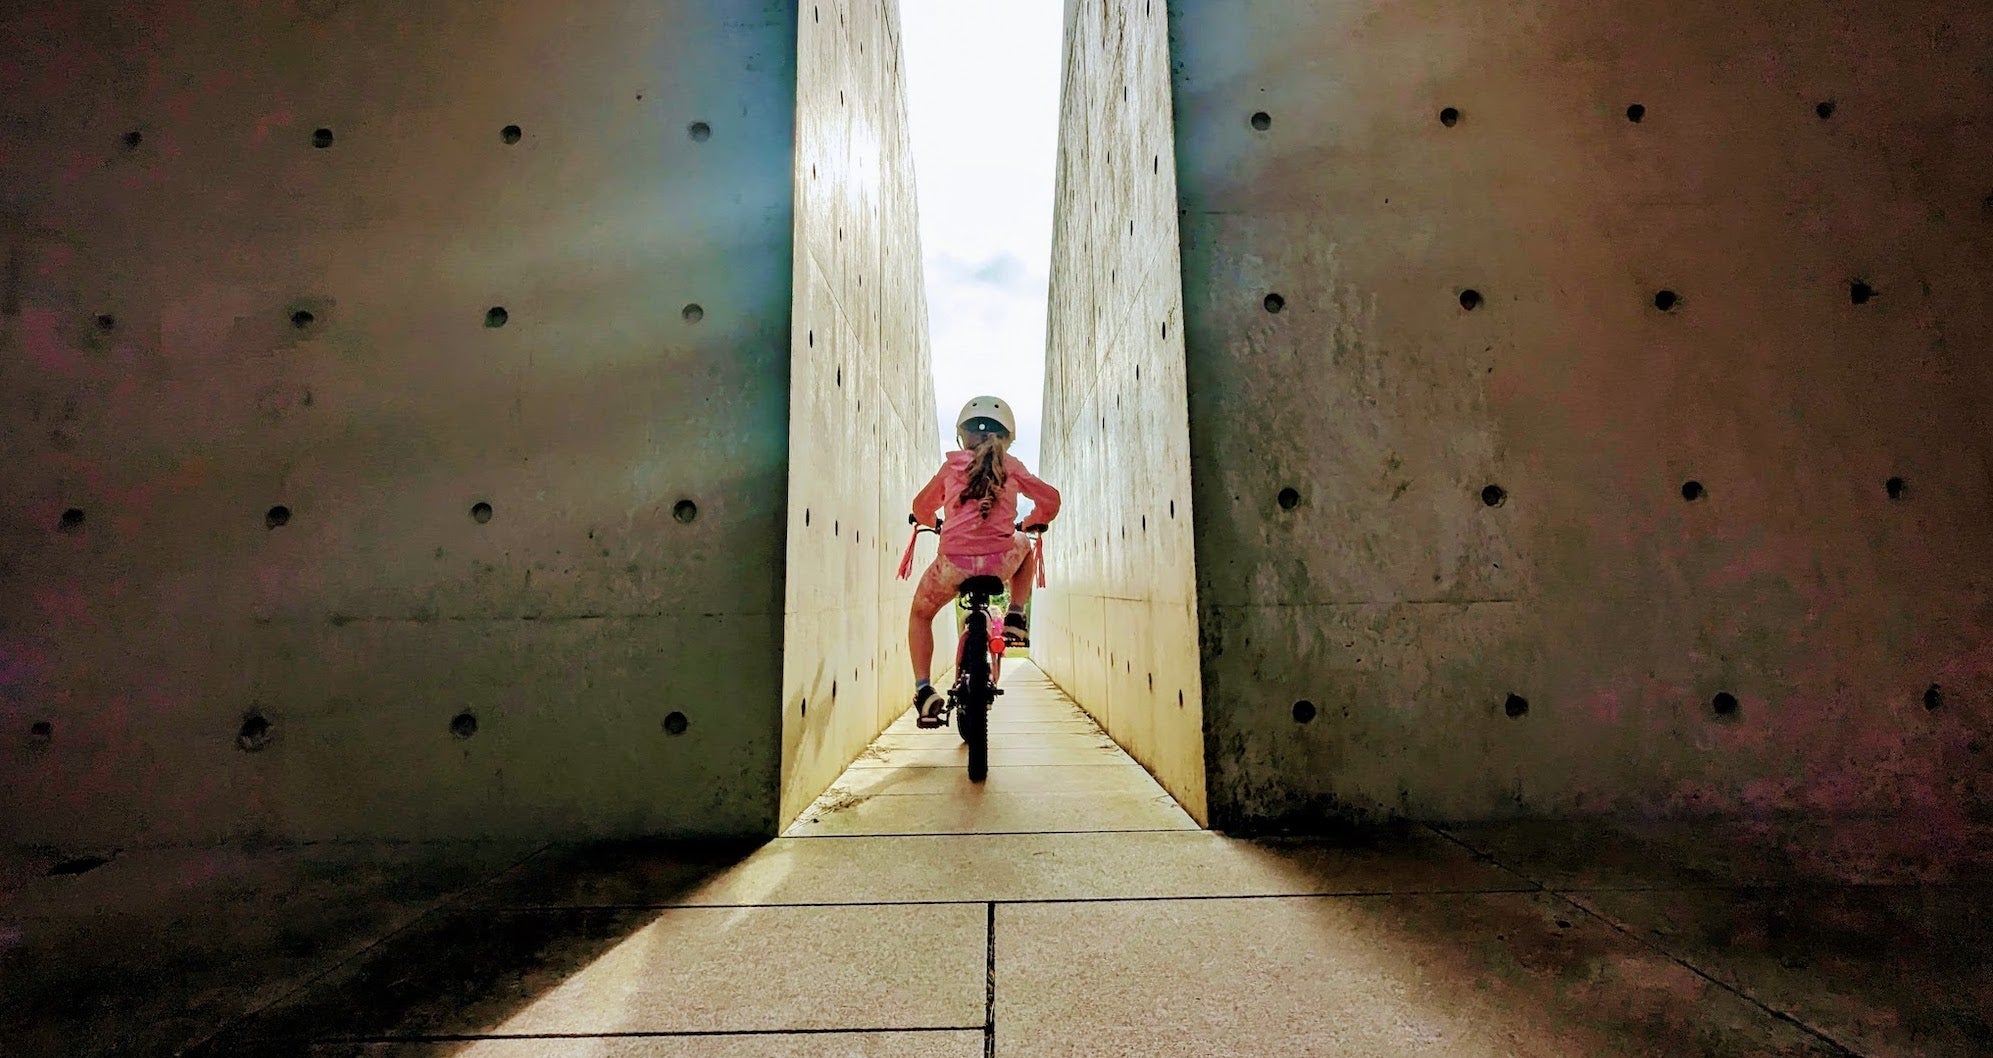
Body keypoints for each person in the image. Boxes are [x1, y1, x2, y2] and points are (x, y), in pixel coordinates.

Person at [906, 395, 1060, 726]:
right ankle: (1016, 614)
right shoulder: (1013, 467)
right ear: (1007, 437)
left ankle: (923, 690)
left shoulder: (951, 467)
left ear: (963, 436)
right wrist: (1032, 521)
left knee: (921, 615)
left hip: (954, 565)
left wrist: (936, 524)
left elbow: (921, 507)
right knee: (1024, 544)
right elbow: (1051, 499)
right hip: (1000, 561)